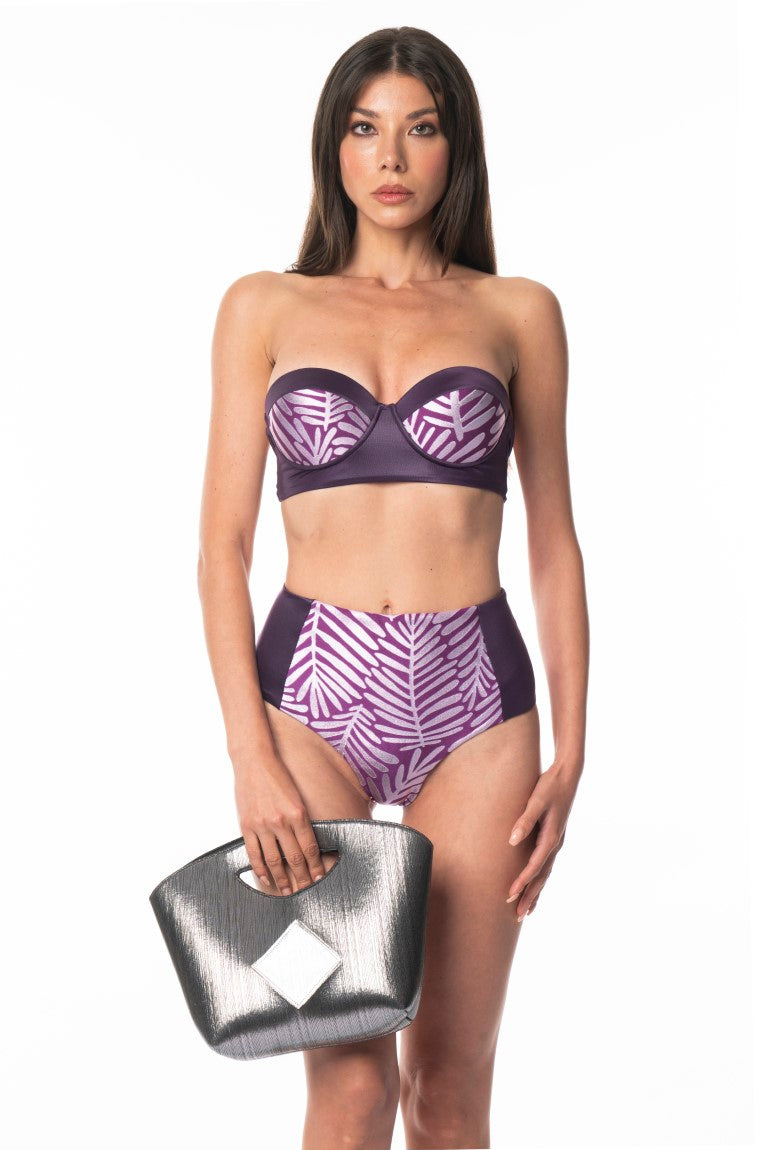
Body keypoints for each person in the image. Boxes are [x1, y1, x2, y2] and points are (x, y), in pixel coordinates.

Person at [197, 24, 589, 1150]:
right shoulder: (264, 307)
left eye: (421, 128)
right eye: (366, 129)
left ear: (455, 148)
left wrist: (573, 750)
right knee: (353, 1090)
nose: (392, 156)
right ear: (334, 146)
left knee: (449, 1092)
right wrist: (250, 757)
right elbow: (221, 545)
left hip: (479, 707)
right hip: (310, 703)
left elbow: (554, 541)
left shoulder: (517, 312)